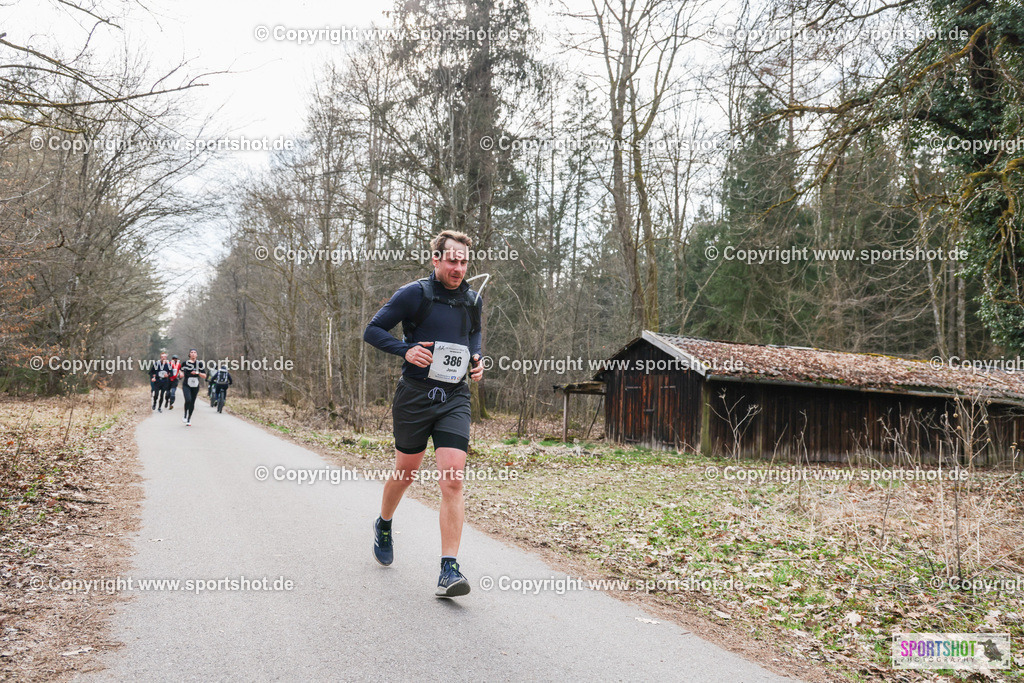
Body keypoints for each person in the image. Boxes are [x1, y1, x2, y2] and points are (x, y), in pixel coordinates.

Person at [363, 230, 484, 597]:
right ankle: (384, 524)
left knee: (453, 479)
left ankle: (449, 569)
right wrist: (405, 350)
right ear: (436, 259)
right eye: (452, 260)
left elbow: (474, 336)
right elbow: (372, 330)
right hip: (414, 397)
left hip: (454, 397)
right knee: (405, 473)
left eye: (463, 262)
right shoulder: (413, 294)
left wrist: (477, 359)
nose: (458, 268)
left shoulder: (473, 300)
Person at [178, 349, 207, 427]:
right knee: (188, 399)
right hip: (186, 384)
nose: (193, 354)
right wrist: (181, 374)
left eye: (195, 353)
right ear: (189, 354)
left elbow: (204, 376)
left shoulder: (199, 364)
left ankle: (189, 418)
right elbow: (180, 371)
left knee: (192, 402)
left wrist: (198, 373)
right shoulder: (185, 363)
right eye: (192, 352)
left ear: (196, 355)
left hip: (195, 385)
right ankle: (185, 414)